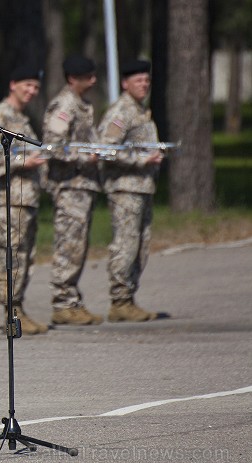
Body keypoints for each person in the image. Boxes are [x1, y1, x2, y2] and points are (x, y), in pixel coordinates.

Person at [0, 63, 49, 335]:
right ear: (13, 85)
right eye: (27, 86)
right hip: (8, 200)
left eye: (36, 88)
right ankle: (10, 311)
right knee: (11, 256)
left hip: (26, 199)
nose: (31, 91)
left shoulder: (23, 117)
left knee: (25, 257)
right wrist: (23, 160)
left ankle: (18, 308)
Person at [98, 59, 162, 322]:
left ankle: (129, 297)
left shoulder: (140, 110)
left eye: (146, 81)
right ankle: (119, 300)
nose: (144, 85)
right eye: (138, 81)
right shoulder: (121, 112)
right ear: (125, 83)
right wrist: (140, 160)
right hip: (125, 188)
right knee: (126, 243)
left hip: (143, 188)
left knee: (141, 245)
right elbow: (106, 149)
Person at [41, 55, 103, 326]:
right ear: (72, 79)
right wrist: (82, 156)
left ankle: (71, 298)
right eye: (88, 77)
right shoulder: (64, 105)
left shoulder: (82, 105)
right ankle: (62, 302)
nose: (94, 81)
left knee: (78, 244)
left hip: (83, 185)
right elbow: (52, 145)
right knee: (69, 244)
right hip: (69, 185)